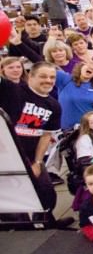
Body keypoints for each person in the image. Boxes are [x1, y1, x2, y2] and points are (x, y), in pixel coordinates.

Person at [0, 62, 70, 227]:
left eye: (52, 77)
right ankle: (21, 229)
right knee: (14, 199)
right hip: (6, 156)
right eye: (43, 76)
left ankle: (46, 223)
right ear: (30, 76)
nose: (48, 80)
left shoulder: (53, 105)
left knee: (46, 192)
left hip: (31, 156)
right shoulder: (12, 90)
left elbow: (46, 136)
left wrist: (38, 162)